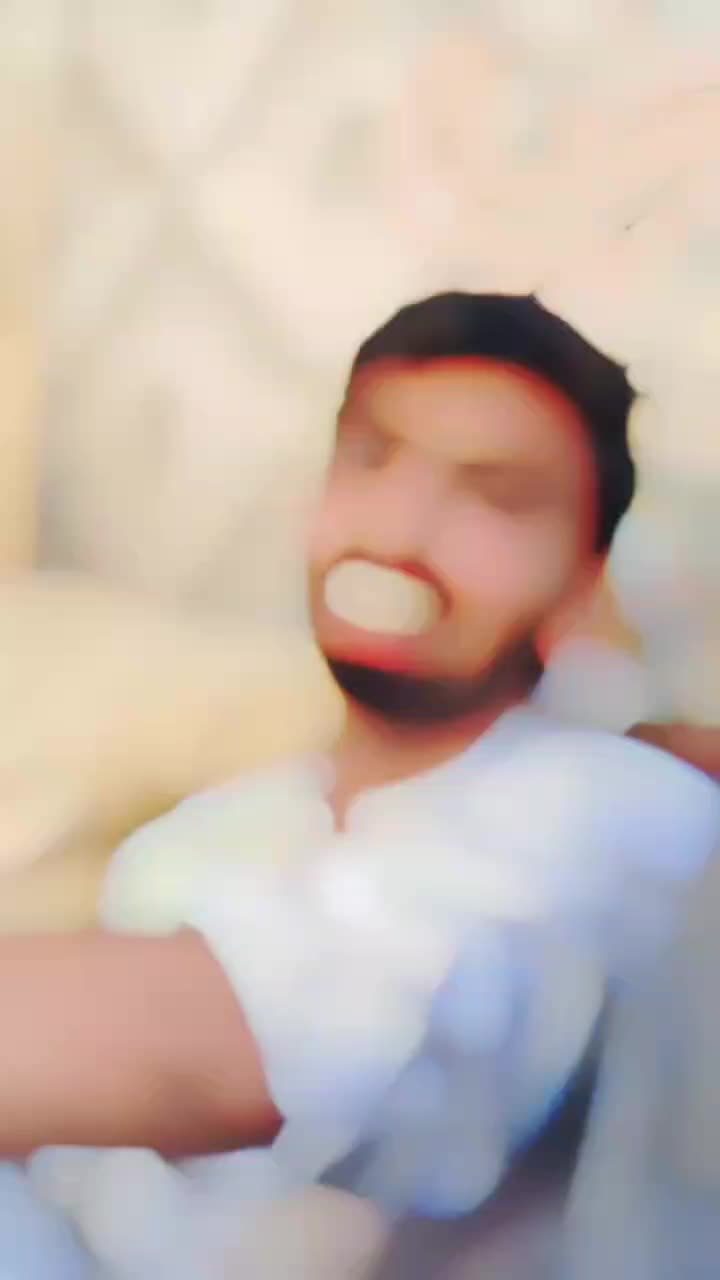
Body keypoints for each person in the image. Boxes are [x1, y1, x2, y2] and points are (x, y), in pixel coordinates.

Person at [0, 293, 718, 1278]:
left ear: (584, 581)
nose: (400, 530)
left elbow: (302, 1033)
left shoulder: (623, 816)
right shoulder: (203, 839)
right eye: (373, 459)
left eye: (494, 497)